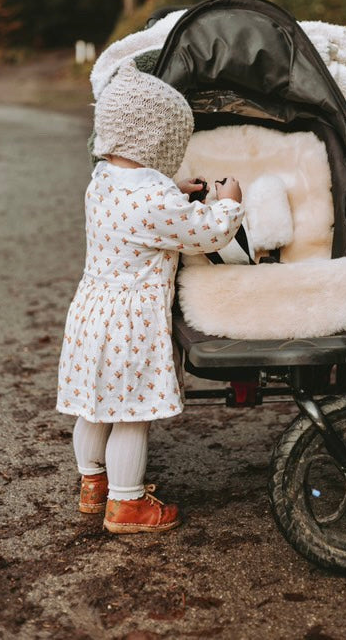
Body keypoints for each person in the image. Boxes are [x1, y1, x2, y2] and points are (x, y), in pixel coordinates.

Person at [56, 60, 244, 534]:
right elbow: (206, 233)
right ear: (161, 141)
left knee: (94, 408)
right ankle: (127, 505)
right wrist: (229, 202)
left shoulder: (102, 181)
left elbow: (142, 204)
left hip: (91, 314)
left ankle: (93, 485)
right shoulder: (154, 203)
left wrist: (172, 190)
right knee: (132, 416)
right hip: (130, 325)